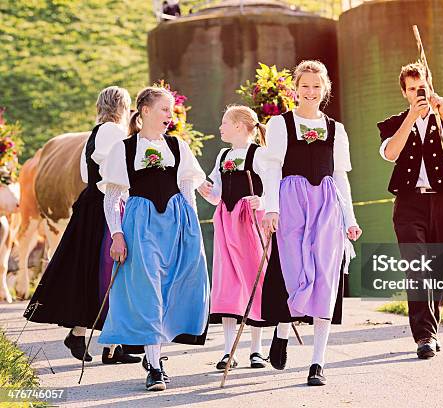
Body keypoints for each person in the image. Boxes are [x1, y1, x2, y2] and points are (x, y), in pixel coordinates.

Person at [97, 86, 209, 391]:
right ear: (145, 111)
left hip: (175, 221)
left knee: (172, 285)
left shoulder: (177, 146)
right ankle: (155, 367)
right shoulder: (123, 148)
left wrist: (192, 228)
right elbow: (112, 198)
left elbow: (187, 189)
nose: (169, 117)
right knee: (147, 291)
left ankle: (155, 352)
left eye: (171, 111)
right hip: (140, 222)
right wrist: (117, 234)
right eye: (164, 110)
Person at [260, 60, 361, 386]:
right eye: (305, 85)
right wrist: (271, 208)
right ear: (296, 88)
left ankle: (318, 362)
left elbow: (340, 176)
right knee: (294, 272)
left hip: (326, 204)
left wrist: (350, 219)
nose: (311, 92)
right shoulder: (280, 124)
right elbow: (273, 169)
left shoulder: (337, 129)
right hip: (292, 201)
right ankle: (282, 329)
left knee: (325, 279)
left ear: (325, 89)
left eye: (317, 86)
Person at [24, 86, 140, 365]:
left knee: (99, 272)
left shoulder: (94, 134)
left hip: (91, 202)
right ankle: (106, 342)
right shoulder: (113, 132)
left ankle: (95, 338)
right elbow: (116, 170)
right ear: (122, 108)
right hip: (105, 203)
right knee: (110, 272)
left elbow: (86, 172)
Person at [377, 61, 443, 359]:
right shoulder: (394, 123)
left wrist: (441, 112)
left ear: (430, 86)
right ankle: (424, 336)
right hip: (409, 203)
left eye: (423, 87)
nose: (418, 93)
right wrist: (411, 117)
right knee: (416, 267)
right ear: (405, 93)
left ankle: (431, 327)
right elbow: (390, 153)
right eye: (412, 89)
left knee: (439, 269)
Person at [197, 105, 269, 371]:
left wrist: (261, 200)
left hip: (250, 224)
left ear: (239, 126)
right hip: (226, 223)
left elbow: (275, 185)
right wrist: (204, 189)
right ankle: (229, 350)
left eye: (224, 122)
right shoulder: (223, 155)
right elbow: (216, 194)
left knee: (254, 281)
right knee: (227, 284)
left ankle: (257, 350)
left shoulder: (259, 154)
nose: (220, 128)